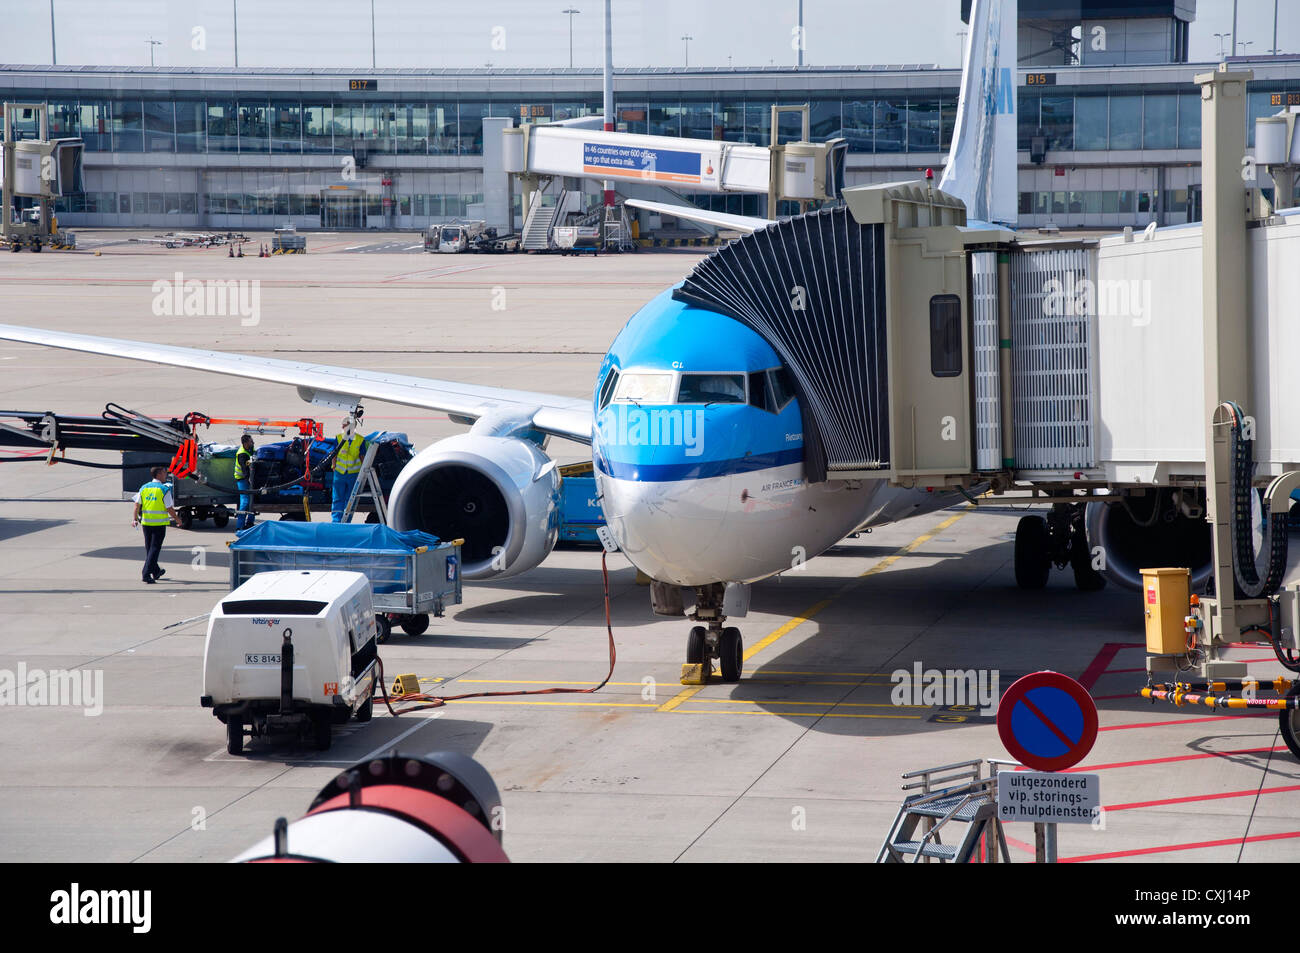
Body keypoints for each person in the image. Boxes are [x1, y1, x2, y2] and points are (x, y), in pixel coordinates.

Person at [132, 465, 179, 584]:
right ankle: (146, 573)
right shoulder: (163, 489)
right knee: (154, 548)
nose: (166, 475)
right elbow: (169, 508)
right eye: (164, 473)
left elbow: (137, 505)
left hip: (146, 522)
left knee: (149, 548)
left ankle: (156, 571)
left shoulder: (144, 487)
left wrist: (135, 519)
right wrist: (178, 520)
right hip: (159, 523)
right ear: (158, 474)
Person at [331, 415, 366, 522]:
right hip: (340, 473)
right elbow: (334, 454)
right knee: (337, 498)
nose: (342, 426)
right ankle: (336, 521)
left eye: (344, 424)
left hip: (353, 473)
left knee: (350, 499)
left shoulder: (360, 440)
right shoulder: (338, 438)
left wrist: (363, 471)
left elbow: (362, 456)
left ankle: (347, 519)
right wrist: (334, 466)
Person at [234, 434, 255, 531]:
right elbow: (244, 470)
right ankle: (239, 526)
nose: (253, 442)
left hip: (250, 478)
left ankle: (250, 522)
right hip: (242, 479)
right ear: (245, 443)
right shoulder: (242, 454)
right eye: (251, 441)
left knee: (252, 500)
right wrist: (248, 480)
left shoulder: (250, 449)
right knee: (245, 501)